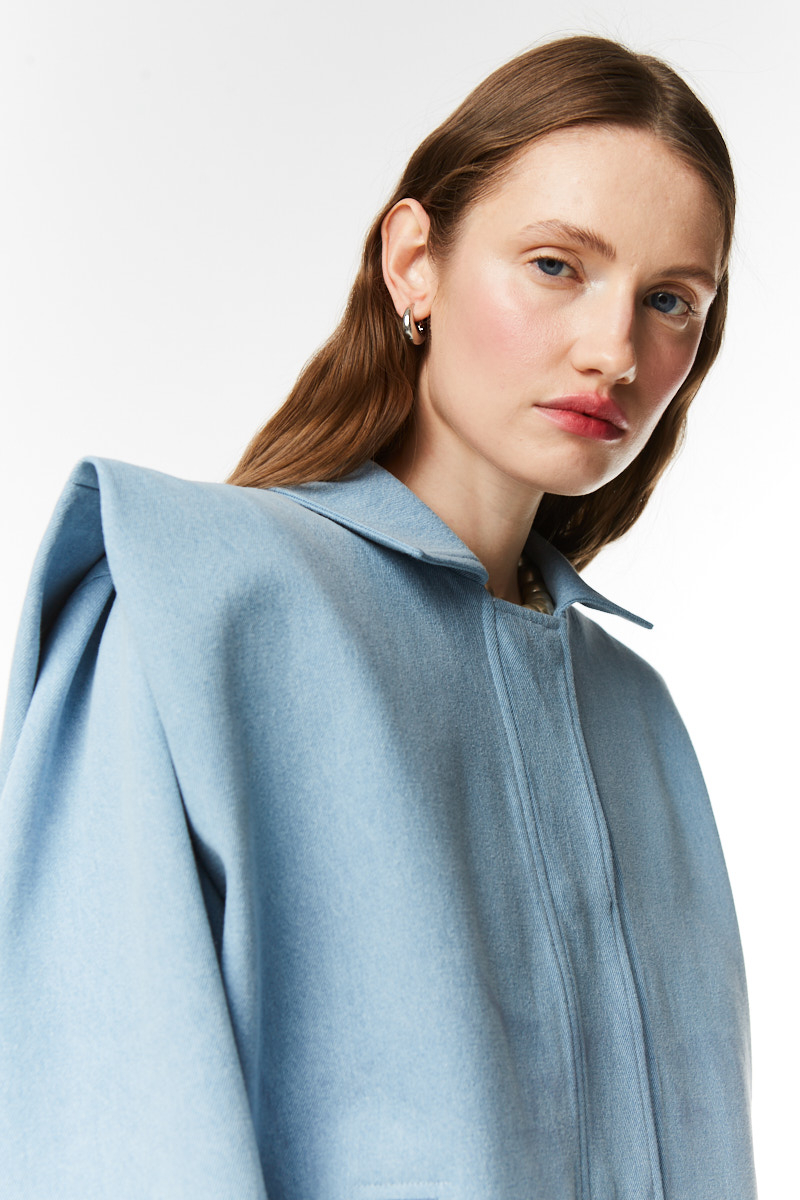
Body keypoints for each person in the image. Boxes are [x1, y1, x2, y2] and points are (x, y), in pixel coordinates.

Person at [0, 34, 755, 1200]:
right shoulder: (192, 603)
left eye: (668, 301)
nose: (612, 351)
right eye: (554, 265)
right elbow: (105, 1135)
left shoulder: (634, 716)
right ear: (414, 263)